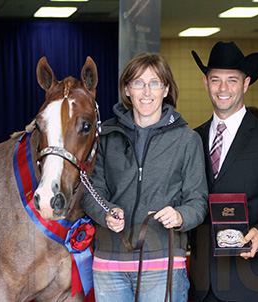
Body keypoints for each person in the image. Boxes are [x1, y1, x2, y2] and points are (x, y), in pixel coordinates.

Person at [81, 53, 208, 301]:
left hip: (163, 263)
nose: (146, 91)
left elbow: (198, 201)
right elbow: (90, 191)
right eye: (138, 83)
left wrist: (180, 215)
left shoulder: (187, 140)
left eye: (155, 83)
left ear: (166, 89)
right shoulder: (105, 136)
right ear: (127, 90)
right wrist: (105, 212)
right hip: (110, 265)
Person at [188, 41, 258, 302]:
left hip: (252, 280)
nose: (223, 89)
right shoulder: (192, 139)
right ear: (206, 83)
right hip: (202, 283)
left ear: (245, 84)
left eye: (232, 80)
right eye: (216, 80)